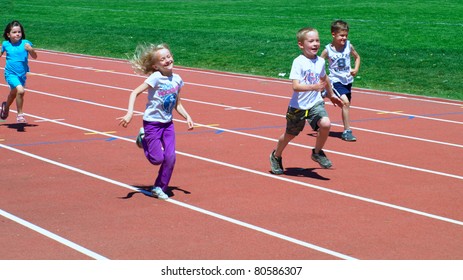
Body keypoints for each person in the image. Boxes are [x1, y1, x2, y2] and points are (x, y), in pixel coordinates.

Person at [118, 43, 194, 200]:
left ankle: (159, 187)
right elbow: (134, 92)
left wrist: (187, 116)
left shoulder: (178, 80)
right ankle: (143, 138)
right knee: (157, 159)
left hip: (168, 125)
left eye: (168, 56)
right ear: (155, 65)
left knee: (171, 157)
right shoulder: (155, 78)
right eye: (162, 59)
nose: (167, 60)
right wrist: (129, 113)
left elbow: (177, 103)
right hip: (152, 124)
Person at [269, 27, 343, 175]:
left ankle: (317, 152)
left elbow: (325, 78)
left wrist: (331, 94)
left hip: (315, 103)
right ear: (301, 45)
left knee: (326, 124)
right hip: (298, 107)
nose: (315, 43)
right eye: (311, 41)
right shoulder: (298, 62)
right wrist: (313, 86)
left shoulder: (321, 61)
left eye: (317, 40)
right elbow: (295, 86)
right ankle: (276, 155)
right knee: (290, 134)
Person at [320, 20, 361, 142]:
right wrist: (323, 78)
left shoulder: (348, 45)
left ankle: (327, 93)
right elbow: (319, 63)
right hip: (335, 80)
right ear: (333, 34)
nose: (344, 38)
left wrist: (356, 69)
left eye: (346, 35)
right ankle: (347, 131)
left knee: (346, 105)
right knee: (345, 103)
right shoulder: (328, 50)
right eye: (341, 36)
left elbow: (357, 57)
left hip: (347, 80)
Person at [0, 20, 38, 123]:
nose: (17, 34)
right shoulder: (5, 44)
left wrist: (30, 49)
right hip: (10, 74)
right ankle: (20, 114)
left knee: (13, 93)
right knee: (20, 91)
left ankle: (6, 107)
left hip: (21, 75)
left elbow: (35, 57)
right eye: (14, 32)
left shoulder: (26, 43)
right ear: (8, 34)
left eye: (19, 32)